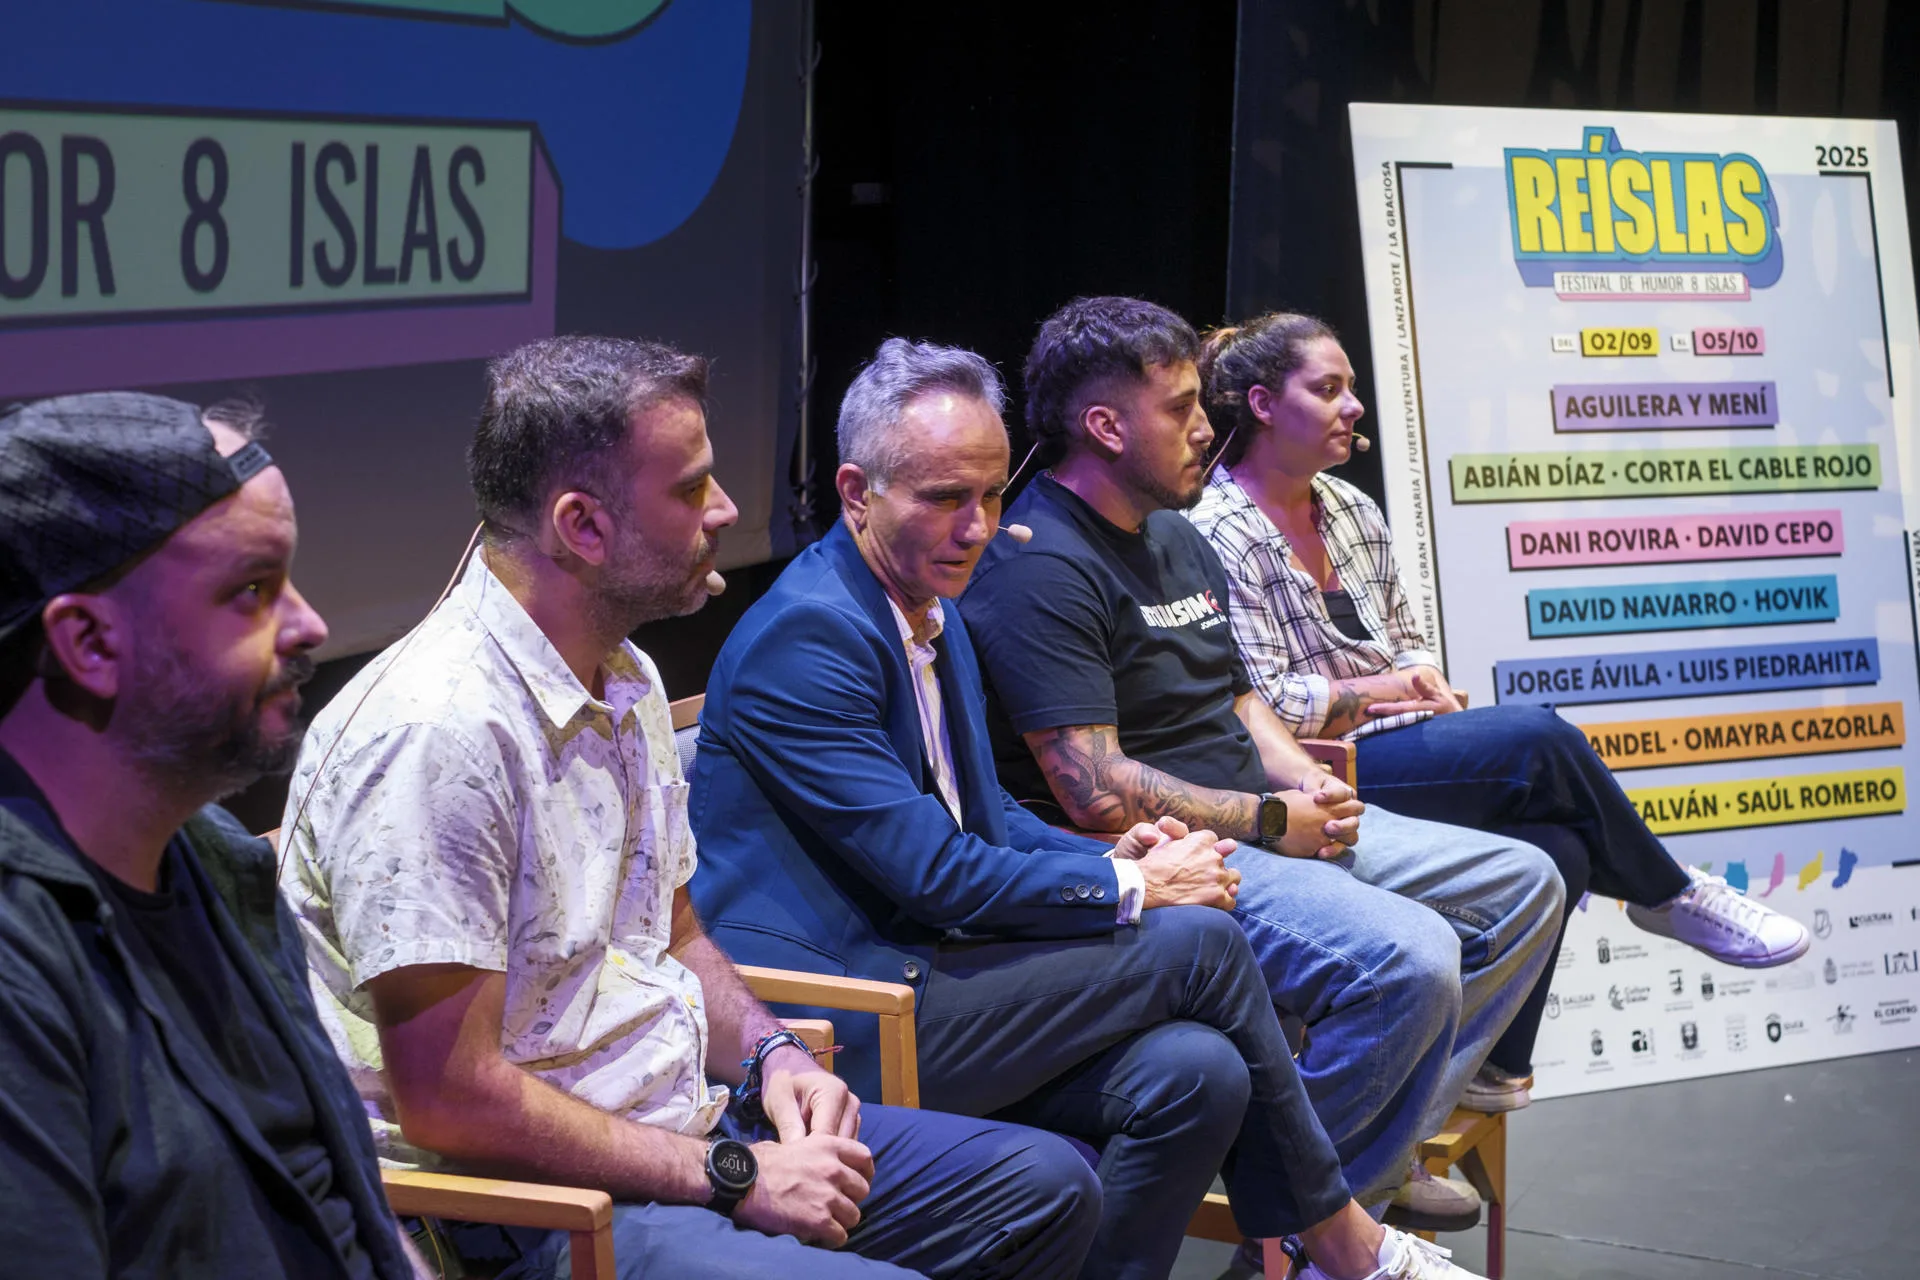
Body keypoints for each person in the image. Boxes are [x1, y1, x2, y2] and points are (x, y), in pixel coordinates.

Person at [279, 336, 1109, 1280]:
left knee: (1047, 1187)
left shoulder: (623, 674)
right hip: (538, 1207)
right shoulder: (439, 734)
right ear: (582, 526)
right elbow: (449, 1100)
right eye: (690, 488)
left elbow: (672, 936)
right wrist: (731, 1176)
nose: (725, 510)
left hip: (685, 1125)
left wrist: (775, 1055)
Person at [690, 337, 1482, 1280]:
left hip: (936, 961)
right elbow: (937, 875)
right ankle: (1342, 1244)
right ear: (857, 492)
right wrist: (1133, 886)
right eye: (945, 498)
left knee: (1198, 1074)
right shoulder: (811, 635)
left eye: (992, 494)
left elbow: (981, 811)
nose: (978, 527)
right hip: (844, 1012)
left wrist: (1115, 853)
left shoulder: (927, 602)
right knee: (1200, 942)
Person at [958, 296, 1564, 1233]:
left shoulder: (1176, 530)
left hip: (1265, 818)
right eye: (1181, 409)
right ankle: (1317, 1225)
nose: (1207, 429)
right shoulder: (1037, 566)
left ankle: (1350, 1171)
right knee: (1412, 960)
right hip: (1178, 854)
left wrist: (1298, 778)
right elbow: (1093, 789)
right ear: (1106, 427)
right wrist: (1273, 821)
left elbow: (1237, 695)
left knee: (1527, 884)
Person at [1187, 311, 1811, 1109]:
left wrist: (1422, 678)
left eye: (1352, 388)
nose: (1353, 407)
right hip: (1318, 774)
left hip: (1406, 737)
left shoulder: (1349, 508)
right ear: (1265, 405)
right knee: (1536, 738)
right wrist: (1389, 690)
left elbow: (1407, 639)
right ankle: (1667, 894)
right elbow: (1265, 700)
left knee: (1557, 846)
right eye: (1329, 389)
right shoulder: (1215, 529)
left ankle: (1490, 1068)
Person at [0, 392, 423, 1277]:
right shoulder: (19, 958)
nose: (311, 626)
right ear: (89, 642)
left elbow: (349, 1215)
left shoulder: (220, 862)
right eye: (252, 591)